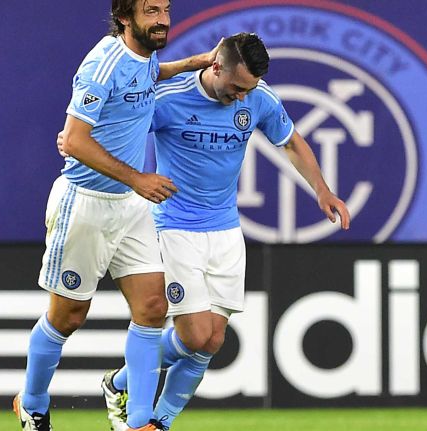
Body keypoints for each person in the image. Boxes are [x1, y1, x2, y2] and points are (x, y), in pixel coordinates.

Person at [92, 32, 352, 430]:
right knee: (194, 335)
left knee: (212, 342)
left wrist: (322, 190)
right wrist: (118, 171)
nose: (243, 97)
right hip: (174, 226)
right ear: (216, 66)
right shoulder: (169, 99)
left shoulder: (258, 98)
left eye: (249, 89)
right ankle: (125, 389)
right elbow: (118, 132)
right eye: (236, 88)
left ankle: (153, 418)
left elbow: (292, 141)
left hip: (227, 229)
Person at [12, 2, 218, 431]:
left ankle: (139, 420)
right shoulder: (102, 62)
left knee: (152, 307)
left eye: (165, 9)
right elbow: (74, 139)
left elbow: (146, 78)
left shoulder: (146, 57)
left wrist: (190, 64)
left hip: (130, 205)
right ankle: (32, 402)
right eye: (150, 10)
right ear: (125, 17)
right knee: (67, 316)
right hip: (85, 202)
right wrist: (139, 177)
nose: (162, 18)